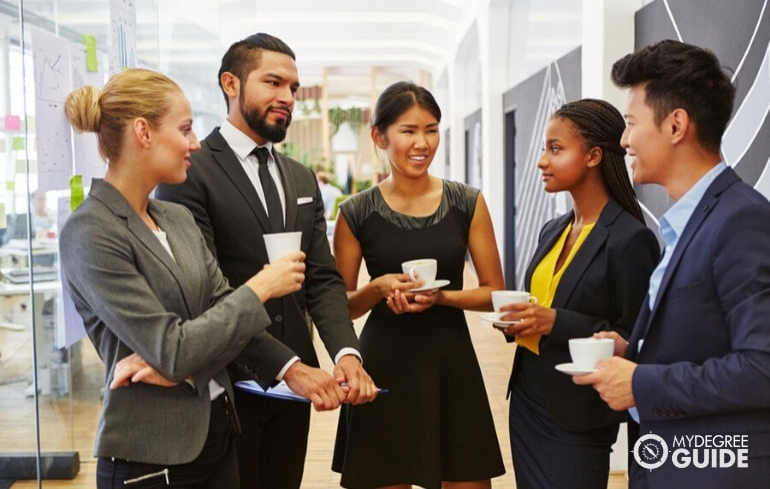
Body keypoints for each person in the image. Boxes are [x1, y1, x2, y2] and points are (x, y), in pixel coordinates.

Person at [59, 68, 308, 488]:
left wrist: (185, 362)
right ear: (144, 132)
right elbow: (174, 347)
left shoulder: (176, 217)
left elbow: (214, 317)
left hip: (218, 433)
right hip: (151, 459)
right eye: (186, 129)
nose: (195, 143)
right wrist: (261, 286)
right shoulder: (90, 232)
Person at [154, 32, 378, 489]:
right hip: (227, 385)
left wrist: (346, 352)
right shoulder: (188, 172)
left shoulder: (299, 177)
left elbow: (322, 280)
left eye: (293, 88)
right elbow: (201, 291)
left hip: (297, 389)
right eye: (273, 83)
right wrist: (286, 368)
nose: (287, 98)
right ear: (230, 84)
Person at [574, 40, 770, 488]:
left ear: (676, 124)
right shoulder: (687, 221)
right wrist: (634, 352)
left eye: (631, 123)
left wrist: (642, 383)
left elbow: (762, 368)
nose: (623, 141)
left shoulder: (742, 220)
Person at [331, 81, 506, 488]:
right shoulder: (355, 212)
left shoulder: (467, 202)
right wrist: (376, 290)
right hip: (383, 365)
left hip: (451, 362)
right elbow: (340, 306)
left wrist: (441, 296)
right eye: (408, 131)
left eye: (431, 129)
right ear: (380, 136)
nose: (422, 142)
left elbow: (494, 291)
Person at [493, 98, 660, 488]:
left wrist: (554, 321)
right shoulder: (552, 230)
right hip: (528, 398)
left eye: (556, 149)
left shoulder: (630, 239)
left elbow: (639, 338)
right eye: (544, 149)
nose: (541, 161)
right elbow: (544, 308)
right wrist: (517, 322)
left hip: (580, 412)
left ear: (593, 156)